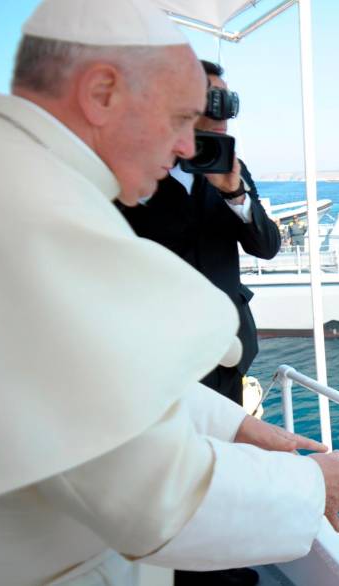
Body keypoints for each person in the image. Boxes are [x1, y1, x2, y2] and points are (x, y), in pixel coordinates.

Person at [0, 2, 339, 585]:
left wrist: (233, 425)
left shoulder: (18, 177)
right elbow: (151, 494)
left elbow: (97, 380)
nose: (188, 148)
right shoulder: (29, 216)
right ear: (101, 94)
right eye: (179, 119)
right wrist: (312, 483)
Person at [119, 59, 279, 408]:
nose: (224, 115)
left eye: (229, 102)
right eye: (212, 102)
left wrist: (235, 194)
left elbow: (266, 246)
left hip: (229, 355)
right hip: (162, 362)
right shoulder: (132, 172)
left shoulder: (233, 167)